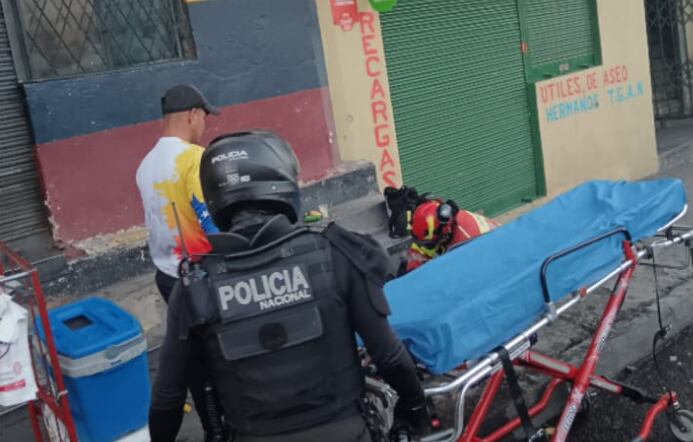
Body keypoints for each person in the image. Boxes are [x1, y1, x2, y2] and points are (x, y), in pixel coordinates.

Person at [149, 131, 429, 442]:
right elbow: (388, 355)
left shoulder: (194, 284)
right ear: (281, 181)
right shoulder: (335, 253)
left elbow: (167, 397)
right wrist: (415, 411)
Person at [136, 84, 220, 438]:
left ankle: (211, 427)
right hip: (201, 276)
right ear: (192, 115)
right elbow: (209, 222)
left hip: (168, 276)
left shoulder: (145, 165)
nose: (205, 125)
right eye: (204, 117)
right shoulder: (193, 158)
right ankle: (223, 427)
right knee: (218, 357)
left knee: (193, 361)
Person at [405, 199, 499, 272]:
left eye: (428, 243)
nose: (424, 246)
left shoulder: (462, 247)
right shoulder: (449, 218)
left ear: (444, 234)